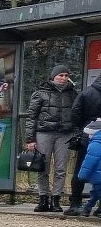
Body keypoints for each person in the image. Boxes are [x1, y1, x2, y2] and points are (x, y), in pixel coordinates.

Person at [24, 64, 81, 212]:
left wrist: (76, 133)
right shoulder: (40, 93)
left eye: (66, 76)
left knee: (61, 169)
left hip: (65, 135)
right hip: (44, 133)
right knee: (42, 166)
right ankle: (43, 198)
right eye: (60, 75)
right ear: (53, 76)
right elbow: (32, 117)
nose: (63, 78)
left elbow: (76, 115)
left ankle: (56, 199)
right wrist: (30, 139)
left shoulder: (72, 94)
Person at [70, 70, 101, 214]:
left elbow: (75, 114)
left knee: (81, 169)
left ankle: (75, 203)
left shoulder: (86, 93)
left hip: (88, 135)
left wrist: (83, 127)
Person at [73, 120, 101, 217]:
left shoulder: (94, 145)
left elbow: (89, 162)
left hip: (97, 177)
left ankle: (87, 208)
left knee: (95, 194)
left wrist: (82, 175)